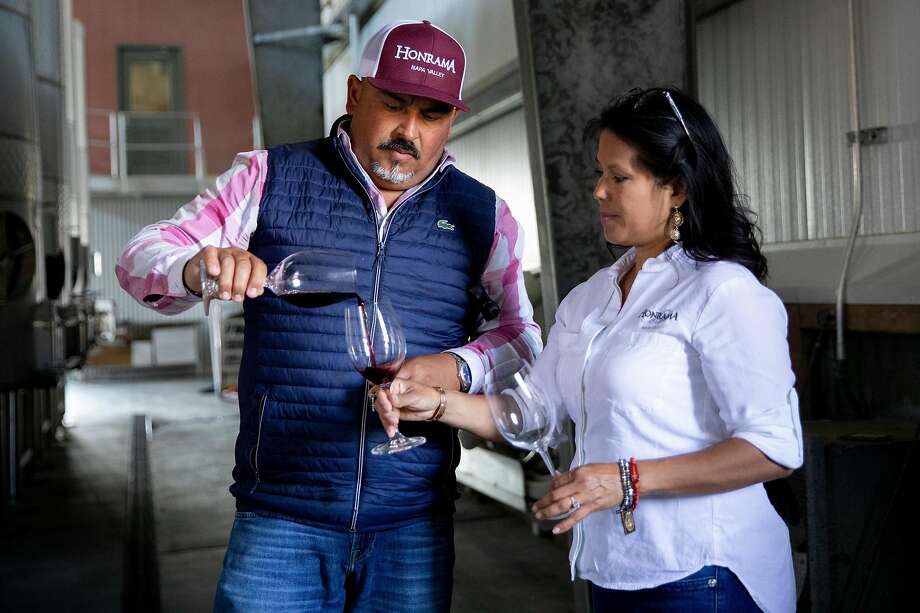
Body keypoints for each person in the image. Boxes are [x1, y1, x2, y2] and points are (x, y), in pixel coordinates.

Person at [116, 20, 541, 612]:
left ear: (451, 120)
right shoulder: (269, 178)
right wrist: (197, 267)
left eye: (431, 115)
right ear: (354, 94)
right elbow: (140, 257)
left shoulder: (482, 214)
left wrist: (454, 368)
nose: (409, 131)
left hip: (412, 523)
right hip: (281, 518)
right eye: (393, 105)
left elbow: (521, 337)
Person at [374, 87, 803, 613]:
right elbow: (533, 411)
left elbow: (773, 448)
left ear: (677, 188)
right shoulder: (593, 296)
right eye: (599, 174)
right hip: (613, 568)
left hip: (703, 570)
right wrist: (437, 405)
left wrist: (624, 480)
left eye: (619, 177)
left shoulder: (722, 292)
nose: (599, 192)